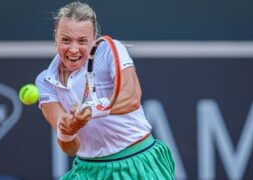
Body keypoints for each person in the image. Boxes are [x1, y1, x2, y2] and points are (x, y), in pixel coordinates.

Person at [35, 1, 175, 179]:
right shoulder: (44, 81)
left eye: (82, 41)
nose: (73, 49)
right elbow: (71, 148)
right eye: (66, 40)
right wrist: (69, 128)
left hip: (136, 163)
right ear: (55, 37)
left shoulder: (110, 49)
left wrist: (91, 110)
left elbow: (131, 97)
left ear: (94, 38)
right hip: (88, 170)